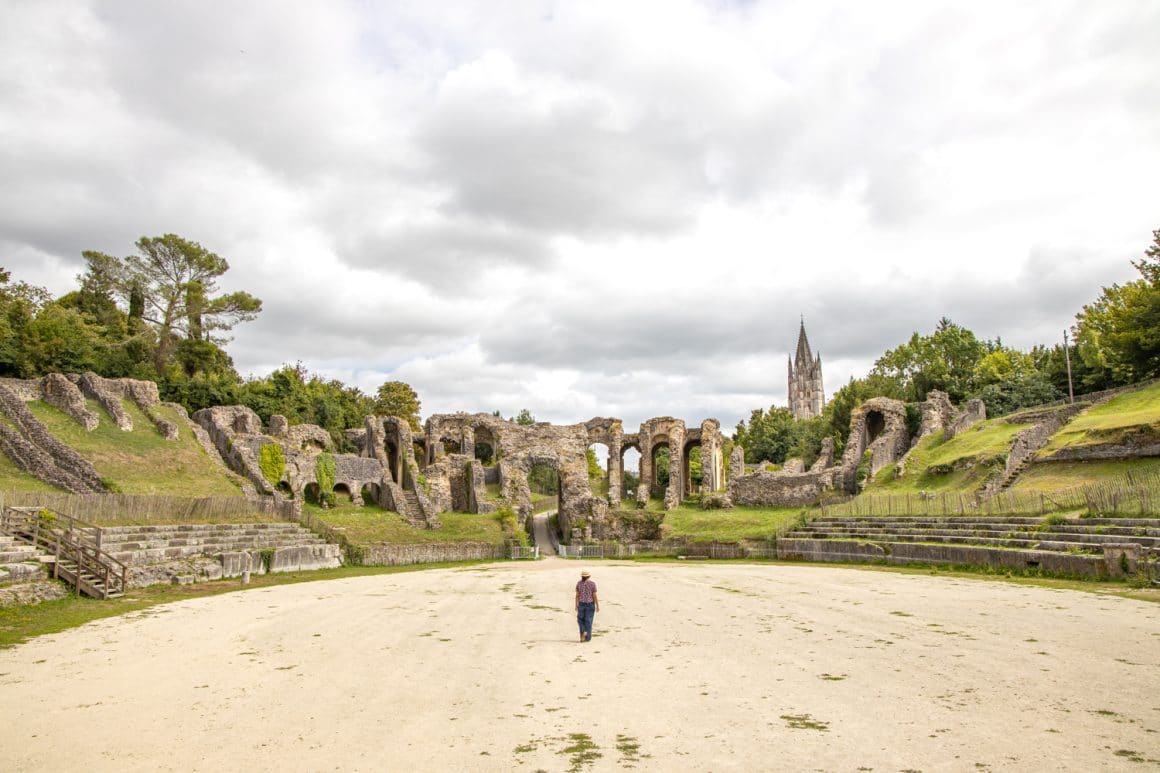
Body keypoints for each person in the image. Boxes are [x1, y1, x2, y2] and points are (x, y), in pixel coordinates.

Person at [575, 569, 599, 642]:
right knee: (588, 621)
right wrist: (597, 605)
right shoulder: (592, 584)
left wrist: (576, 605)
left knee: (580, 620)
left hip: (581, 604)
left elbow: (577, 595)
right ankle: (587, 636)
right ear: (589, 576)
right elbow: (594, 595)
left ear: (582, 576)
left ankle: (582, 633)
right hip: (590, 604)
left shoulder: (579, 583)